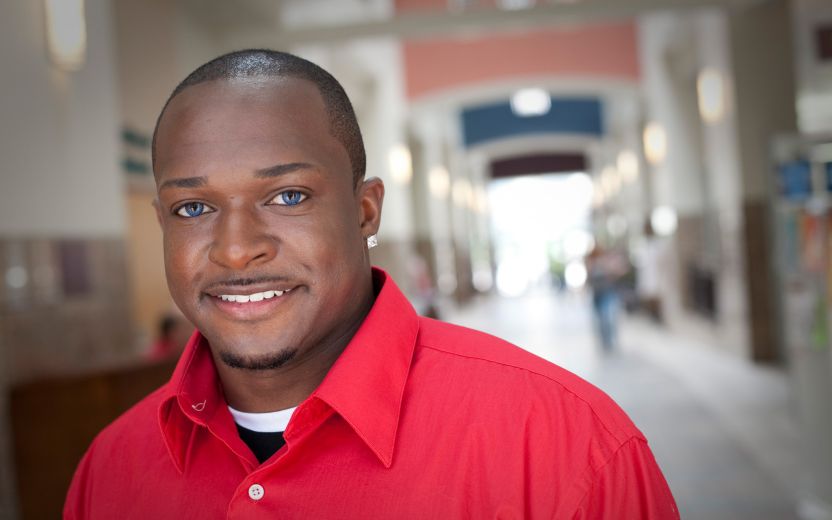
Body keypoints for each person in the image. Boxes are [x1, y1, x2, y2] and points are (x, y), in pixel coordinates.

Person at [64, 50, 678, 519]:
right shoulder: (111, 471)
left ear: (365, 211)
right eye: (193, 208)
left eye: (287, 196)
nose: (235, 248)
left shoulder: (562, 446)